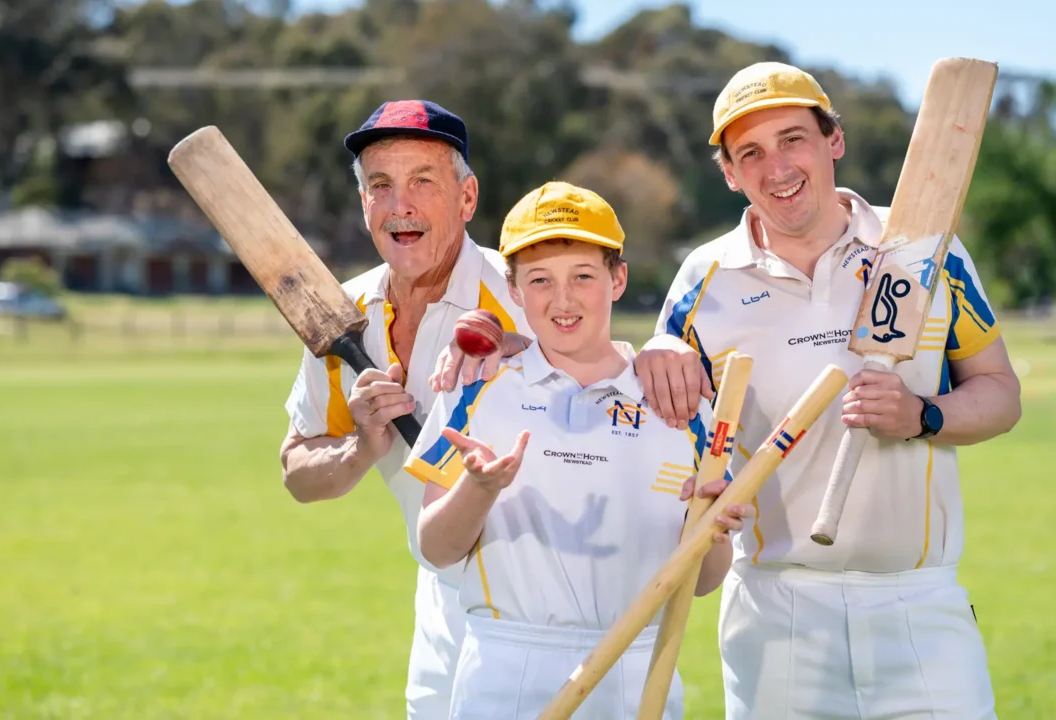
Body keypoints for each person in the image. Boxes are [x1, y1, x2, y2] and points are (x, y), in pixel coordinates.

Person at [636, 62, 1024, 718]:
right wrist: (655, 354)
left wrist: (922, 414)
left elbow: (1000, 392)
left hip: (918, 607)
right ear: (730, 173)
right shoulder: (703, 279)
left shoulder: (926, 252)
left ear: (833, 141)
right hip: (777, 613)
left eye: (793, 139)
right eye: (750, 153)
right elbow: (665, 425)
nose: (777, 167)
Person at [405, 181, 752, 719]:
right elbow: (435, 548)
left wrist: (710, 530)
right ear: (515, 291)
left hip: (639, 671)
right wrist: (479, 489)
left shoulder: (677, 404)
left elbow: (703, 582)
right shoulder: (480, 385)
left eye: (583, 277)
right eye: (540, 280)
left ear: (618, 279)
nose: (562, 301)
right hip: (505, 673)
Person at [279, 99, 529, 719]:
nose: (400, 206)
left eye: (423, 181)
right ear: (364, 203)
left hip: (542, 602)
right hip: (442, 599)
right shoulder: (342, 314)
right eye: (380, 186)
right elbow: (298, 472)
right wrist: (362, 447)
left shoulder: (525, 294)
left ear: (467, 198)